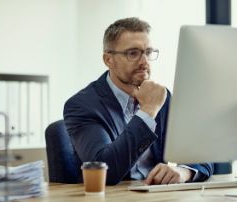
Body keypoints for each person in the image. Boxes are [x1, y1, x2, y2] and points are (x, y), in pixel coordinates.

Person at [63, 17, 213, 185]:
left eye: (148, 52)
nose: (144, 62)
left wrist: (184, 172)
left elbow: (201, 155)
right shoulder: (82, 106)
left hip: (156, 198)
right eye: (133, 53)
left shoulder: (162, 96)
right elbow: (105, 171)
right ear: (108, 60)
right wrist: (148, 111)